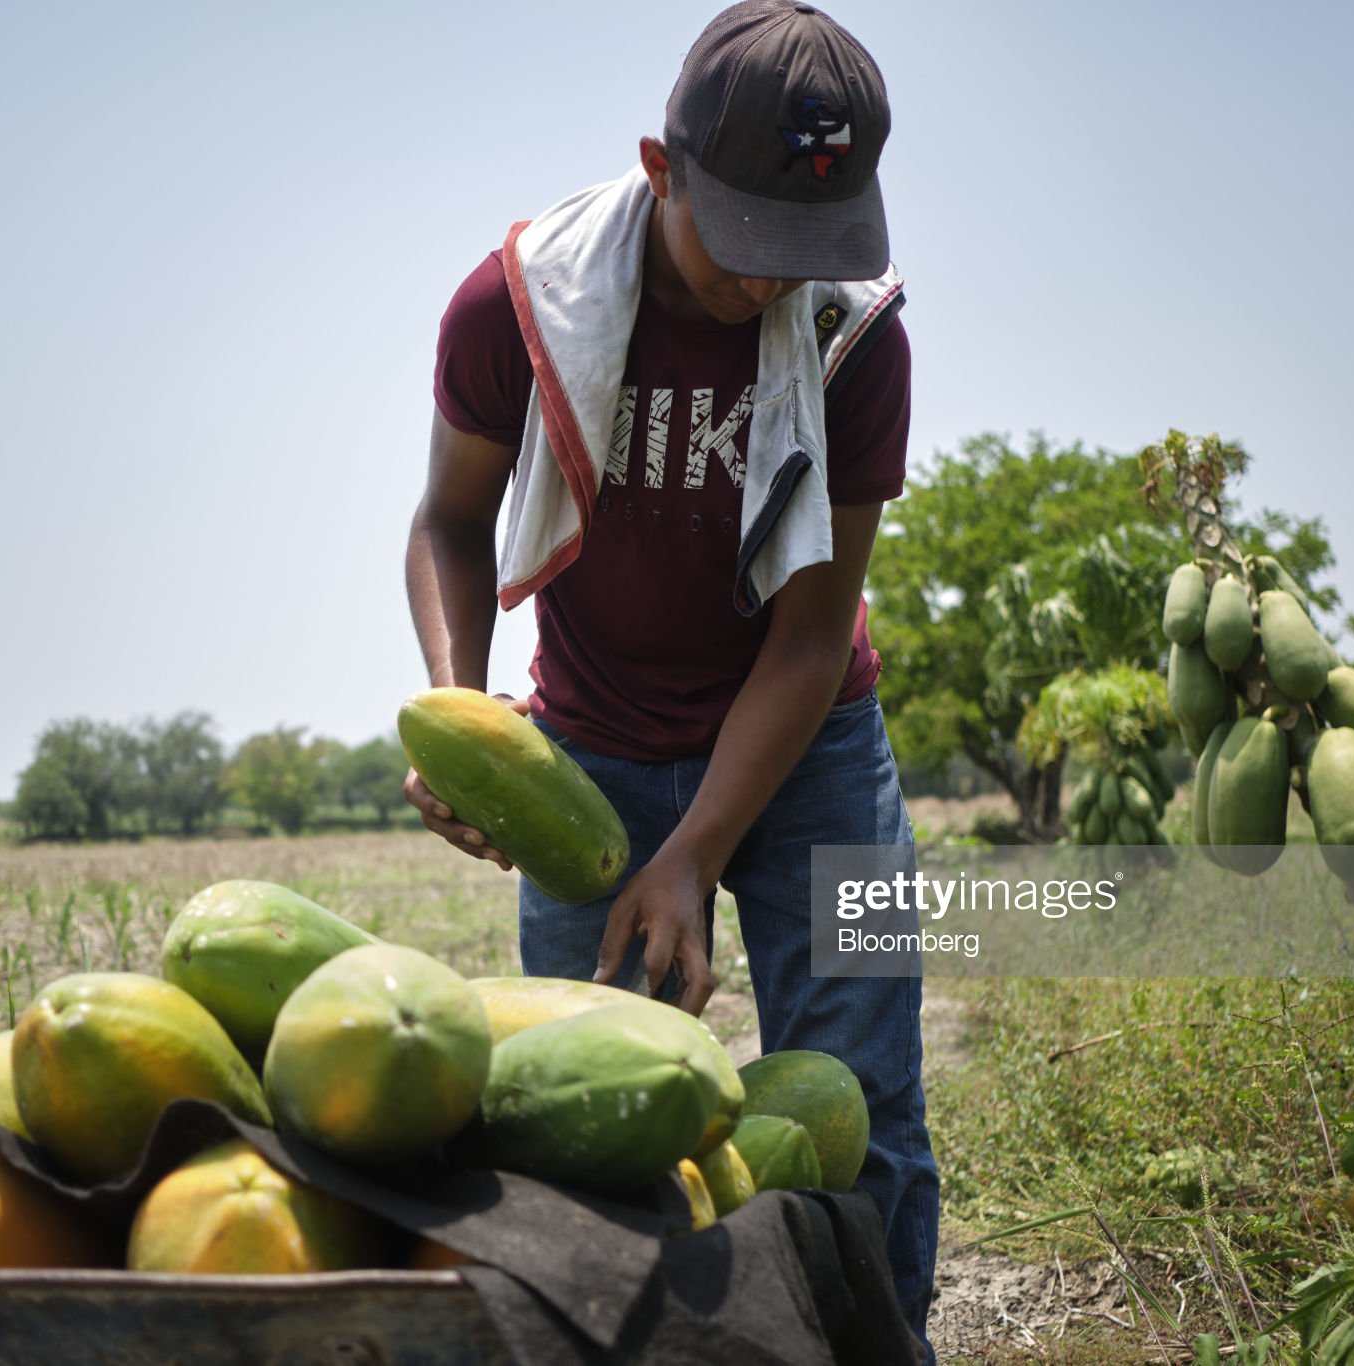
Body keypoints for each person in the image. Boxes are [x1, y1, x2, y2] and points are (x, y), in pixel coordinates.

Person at [402, 2, 938, 1355]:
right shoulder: (515, 303)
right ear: (661, 168)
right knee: (579, 1117)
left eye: (800, 255)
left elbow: (812, 638)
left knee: (866, 1099)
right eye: (743, 243)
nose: (767, 288)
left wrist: (698, 852)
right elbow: (450, 524)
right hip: (595, 749)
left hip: (820, 743)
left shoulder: (860, 338)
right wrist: (466, 716)